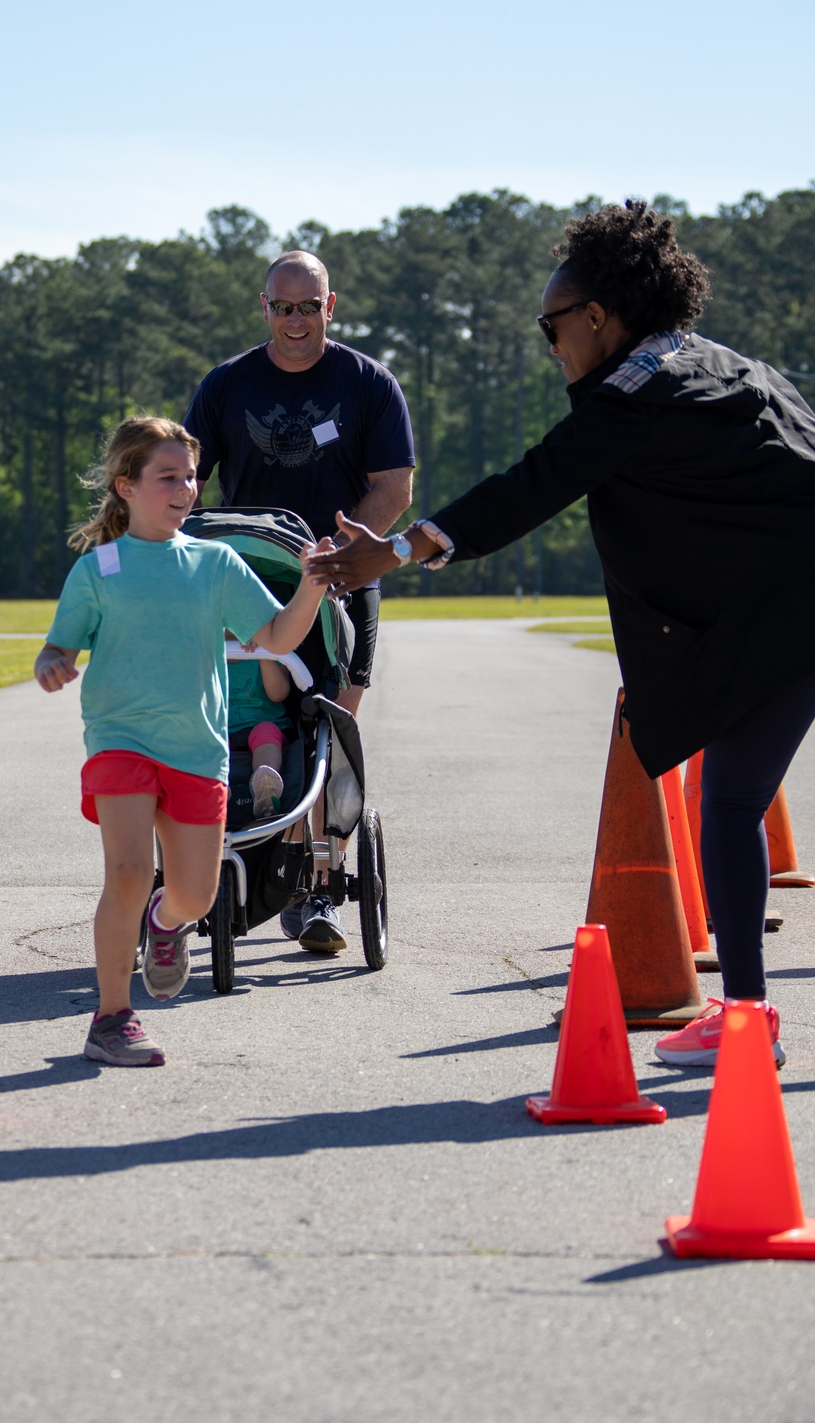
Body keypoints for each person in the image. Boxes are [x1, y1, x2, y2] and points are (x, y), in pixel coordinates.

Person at [306, 199, 815, 1070]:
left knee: (729, 807)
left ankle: (746, 1021)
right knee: (728, 802)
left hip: (778, 623)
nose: (552, 348)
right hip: (785, 615)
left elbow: (528, 488)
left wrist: (390, 552)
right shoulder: (735, 368)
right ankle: (745, 1016)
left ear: (596, 317)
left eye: (553, 327)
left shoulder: (631, 400)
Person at [34, 416, 328, 1068]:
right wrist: (50, 662)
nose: (186, 488)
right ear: (125, 486)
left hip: (197, 748)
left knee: (195, 894)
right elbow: (60, 644)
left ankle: (167, 925)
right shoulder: (100, 567)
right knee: (130, 872)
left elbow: (277, 638)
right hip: (120, 739)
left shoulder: (215, 563)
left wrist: (311, 582)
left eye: (191, 476)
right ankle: (111, 1018)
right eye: (167, 476)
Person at [184, 249, 416, 952]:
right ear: (265, 309)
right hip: (247, 575)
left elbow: (394, 486)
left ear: (330, 306)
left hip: (341, 576)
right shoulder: (228, 386)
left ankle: (321, 890)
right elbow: (188, 472)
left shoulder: (367, 384)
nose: (295, 320)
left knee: (327, 724)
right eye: (282, 307)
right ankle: (225, 871)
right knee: (244, 722)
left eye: (308, 307)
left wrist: (334, 553)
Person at [226, 647, 293, 816]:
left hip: (265, 727)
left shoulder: (269, 650)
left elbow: (278, 694)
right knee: (209, 737)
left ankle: (266, 786)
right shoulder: (208, 655)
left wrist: (263, 654)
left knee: (265, 731)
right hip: (223, 729)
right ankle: (217, 786)